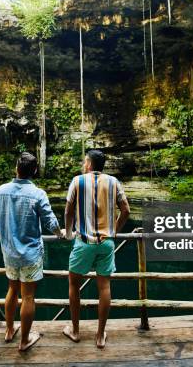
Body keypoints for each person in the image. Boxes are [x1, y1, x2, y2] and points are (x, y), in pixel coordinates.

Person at [0, 152, 67, 352]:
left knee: (12, 290)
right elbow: (51, 222)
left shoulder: (1, 191)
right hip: (30, 254)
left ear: (16, 168)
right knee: (28, 297)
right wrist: (60, 233)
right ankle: (23, 341)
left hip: (9, 253)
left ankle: (9, 330)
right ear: (35, 171)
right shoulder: (38, 194)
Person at [62, 149, 131, 349]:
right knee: (104, 287)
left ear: (90, 164)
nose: (84, 165)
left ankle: (75, 331)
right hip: (106, 243)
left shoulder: (77, 181)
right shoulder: (113, 182)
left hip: (83, 242)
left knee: (74, 285)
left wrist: (68, 232)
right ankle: (100, 336)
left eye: (85, 161)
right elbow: (126, 210)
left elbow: (68, 210)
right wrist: (114, 231)